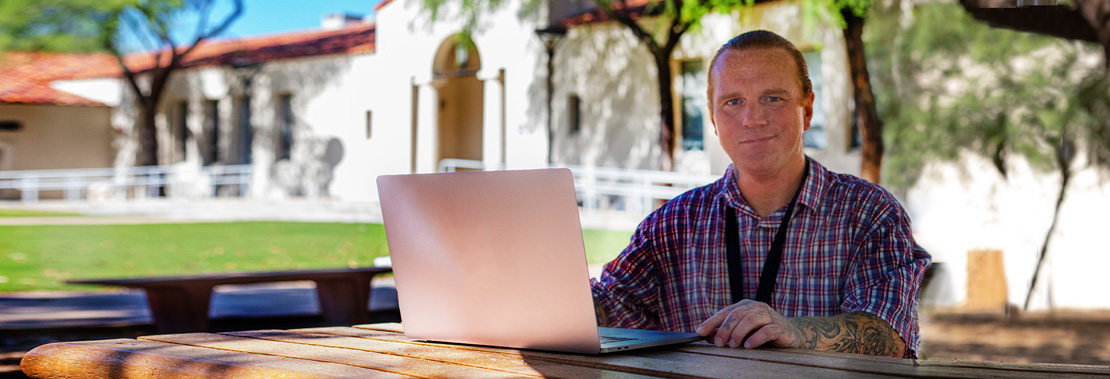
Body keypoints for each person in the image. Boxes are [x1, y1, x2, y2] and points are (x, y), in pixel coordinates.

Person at [589, 30, 932, 358]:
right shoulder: (670, 225)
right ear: (712, 117)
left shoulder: (871, 213)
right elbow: (609, 306)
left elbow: (890, 337)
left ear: (807, 110)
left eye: (773, 98)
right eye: (732, 101)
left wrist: (794, 331)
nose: (752, 119)